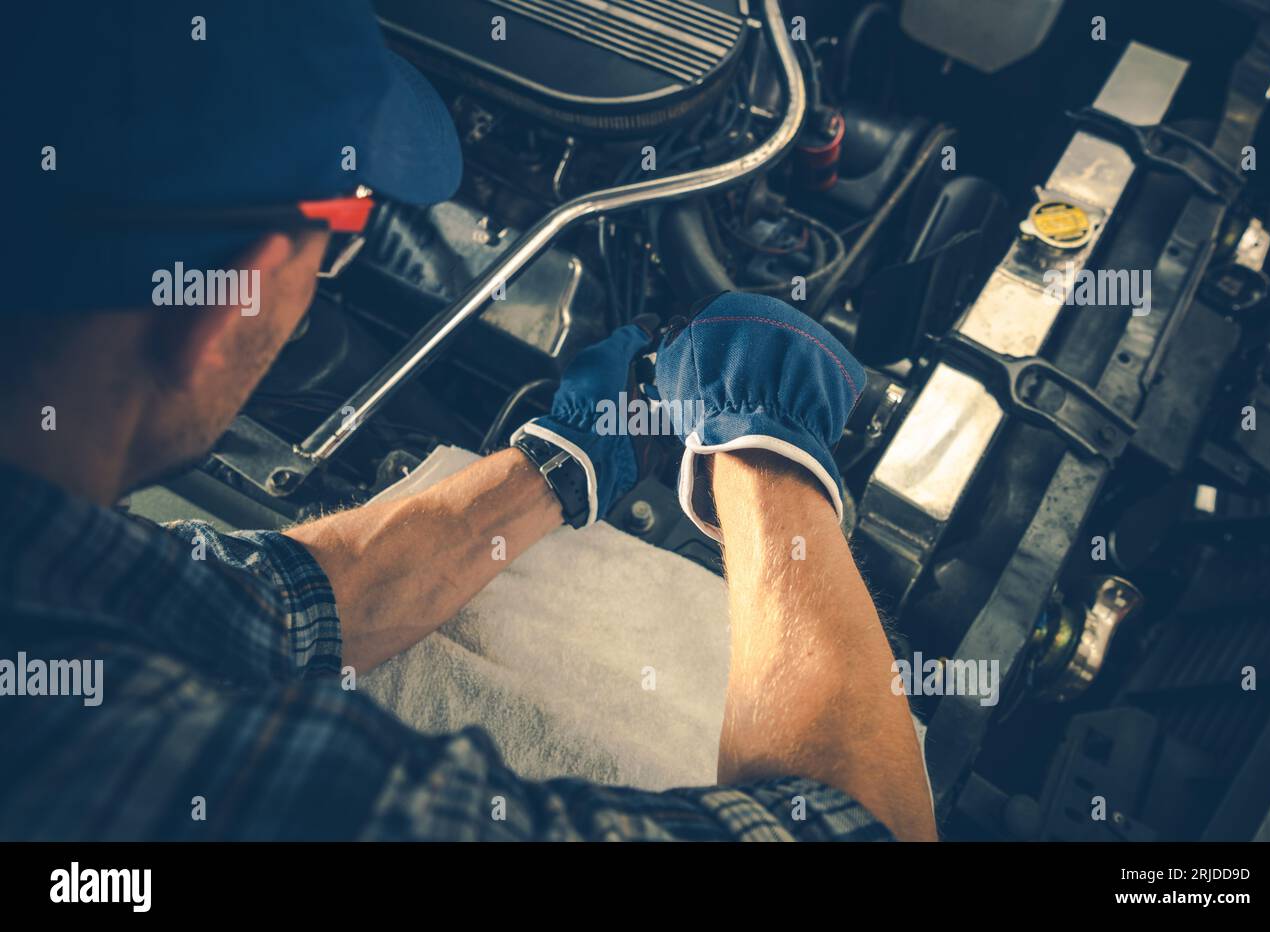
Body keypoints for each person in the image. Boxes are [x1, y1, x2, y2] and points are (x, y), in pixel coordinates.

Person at [0, 0, 935, 842]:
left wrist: (562, 463)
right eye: (343, 222)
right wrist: (765, 452)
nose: (343, 243)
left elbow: (285, 610)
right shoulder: (144, 769)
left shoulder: (48, 569)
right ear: (213, 310)